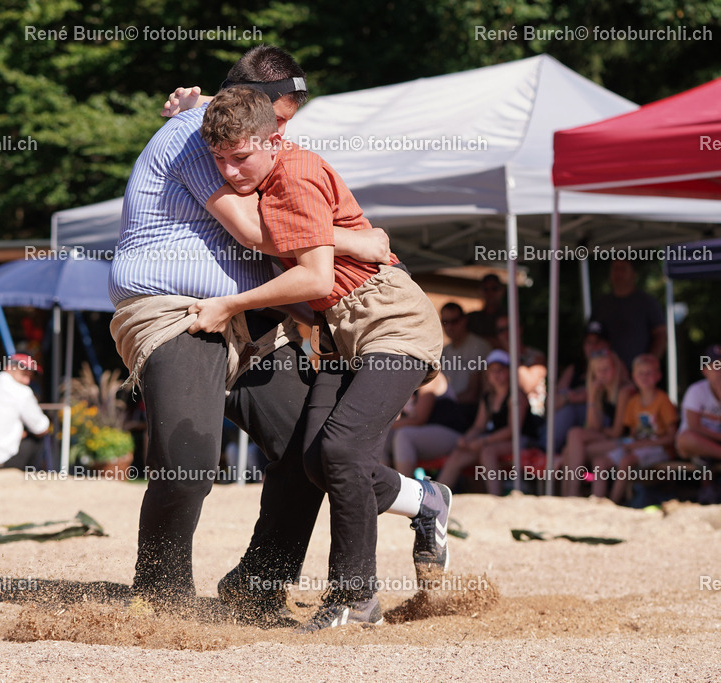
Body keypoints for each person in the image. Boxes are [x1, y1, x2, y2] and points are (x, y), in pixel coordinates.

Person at [108, 46, 393, 619]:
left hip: (247, 316)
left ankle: (257, 588)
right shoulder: (195, 132)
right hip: (176, 309)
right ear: (248, 106)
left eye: (287, 125)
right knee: (189, 464)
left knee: (309, 454)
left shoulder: (236, 133)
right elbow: (255, 233)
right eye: (280, 121)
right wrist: (361, 242)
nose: (282, 136)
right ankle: (159, 599)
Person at [191, 86, 451, 633]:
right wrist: (189, 114)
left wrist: (229, 304)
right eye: (220, 160)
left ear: (273, 139)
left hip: (390, 322)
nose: (232, 172)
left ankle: (356, 598)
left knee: (337, 450)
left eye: (241, 157)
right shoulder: (265, 167)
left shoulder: (295, 173)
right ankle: (425, 502)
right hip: (341, 336)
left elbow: (314, 276)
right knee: (314, 462)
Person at [435, 350, 538, 495]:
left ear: (509, 372)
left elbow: (513, 430)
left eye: (500, 370)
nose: (496, 375)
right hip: (497, 439)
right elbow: (479, 426)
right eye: (492, 371)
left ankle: (494, 498)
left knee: (487, 451)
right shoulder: (488, 397)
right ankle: (435, 496)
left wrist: (483, 441)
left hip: (523, 440)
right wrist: (467, 439)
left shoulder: (516, 396)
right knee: (460, 452)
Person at [590, 355, 677, 504]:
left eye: (648, 373)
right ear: (634, 377)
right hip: (639, 446)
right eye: (640, 373)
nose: (644, 377)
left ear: (658, 376)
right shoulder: (633, 402)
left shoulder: (663, 400)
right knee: (600, 462)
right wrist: (631, 445)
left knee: (626, 461)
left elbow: (672, 437)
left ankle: (613, 503)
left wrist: (640, 445)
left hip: (660, 449)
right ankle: (597, 502)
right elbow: (633, 434)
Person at [561, 349, 634, 497]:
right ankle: (570, 493)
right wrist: (592, 398)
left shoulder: (624, 392)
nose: (602, 374)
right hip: (609, 439)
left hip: (627, 442)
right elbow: (592, 426)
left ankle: (572, 493)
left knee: (571, 450)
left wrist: (600, 430)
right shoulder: (600, 392)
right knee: (573, 440)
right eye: (598, 371)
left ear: (616, 369)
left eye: (606, 369)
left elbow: (617, 432)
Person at [546, 320, 611, 452]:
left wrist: (569, 397)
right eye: (588, 342)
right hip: (577, 426)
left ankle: (547, 451)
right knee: (568, 414)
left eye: (597, 342)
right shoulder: (575, 368)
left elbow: (586, 396)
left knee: (569, 412)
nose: (593, 347)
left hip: (602, 425)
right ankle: (547, 452)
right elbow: (550, 403)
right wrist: (570, 397)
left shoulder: (614, 365)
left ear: (607, 345)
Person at [591, 259, 666, 368]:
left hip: (638, 373)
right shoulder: (602, 303)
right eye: (615, 269)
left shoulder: (646, 302)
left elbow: (660, 334)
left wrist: (649, 363)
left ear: (634, 274)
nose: (618, 273)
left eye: (623, 269)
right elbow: (591, 337)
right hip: (607, 372)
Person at [388, 371, 463, 476]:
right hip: (421, 436)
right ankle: (376, 486)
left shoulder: (431, 376)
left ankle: (404, 487)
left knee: (404, 435)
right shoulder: (401, 380)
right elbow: (396, 417)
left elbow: (419, 420)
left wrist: (387, 425)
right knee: (381, 437)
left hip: (450, 434)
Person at [439, 302, 491, 421]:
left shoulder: (478, 346)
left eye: (454, 321)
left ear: (464, 320)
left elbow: (473, 394)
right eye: (445, 322)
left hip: (470, 413)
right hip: (446, 408)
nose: (449, 327)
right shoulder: (444, 351)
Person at [467, 274, 507, 346]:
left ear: (502, 290)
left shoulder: (509, 317)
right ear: (480, 291)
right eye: (485, 289)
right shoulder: (471, 318)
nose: (490, 293)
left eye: (494, 289)